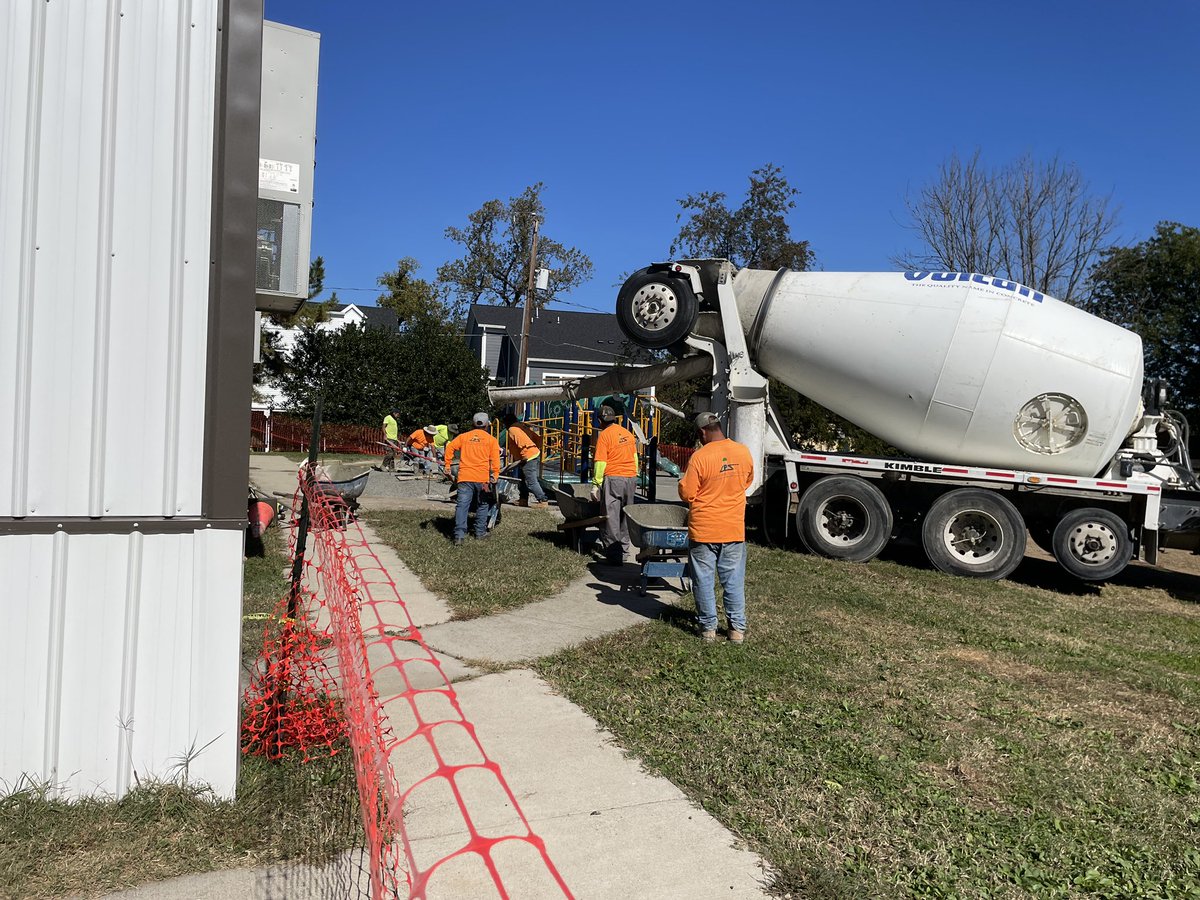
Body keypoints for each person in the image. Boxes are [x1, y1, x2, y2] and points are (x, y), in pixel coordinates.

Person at [677, 411, 754, 644]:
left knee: (703, 580)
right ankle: (736, 630)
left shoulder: (700, 457)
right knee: (733, 580)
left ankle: (708, 629)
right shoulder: (742, 451)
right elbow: (748, 481)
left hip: (704, 530)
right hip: (733, 529)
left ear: (702, 432)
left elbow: (687, 492)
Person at [591, 401, 639, 564]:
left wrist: (596, 484)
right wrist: (634, 475)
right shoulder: (627, 433)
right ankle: (625, 550)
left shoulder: (604, 435)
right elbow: (635, 458)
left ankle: (613, 555)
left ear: (600, 420)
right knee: (626, 514)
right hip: (631, 478)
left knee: (611, 516)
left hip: (614, 478)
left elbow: (600, 462)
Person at [443, 413, 501, 545]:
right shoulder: (491, 440)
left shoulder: (464, 437)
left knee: (462, 505)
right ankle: (480, 533)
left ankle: (459, 536)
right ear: (487, 425)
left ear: (473, 424)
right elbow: (495, 460)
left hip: (465, 477)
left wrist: (447, 464)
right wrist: (495, 475)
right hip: (482, 479)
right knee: (483, 505)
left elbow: (450, 447)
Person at [502, 413, 549, 508]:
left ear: (507, 422)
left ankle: (543, 500)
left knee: (530, 481)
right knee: (522, 479)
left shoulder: (513, 429)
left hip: (527, 457)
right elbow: (537, 438)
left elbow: (522, 443)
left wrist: (525, 456)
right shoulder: (521, 426)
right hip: (529, 454)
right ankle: (523, 499)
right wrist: (536, 448)